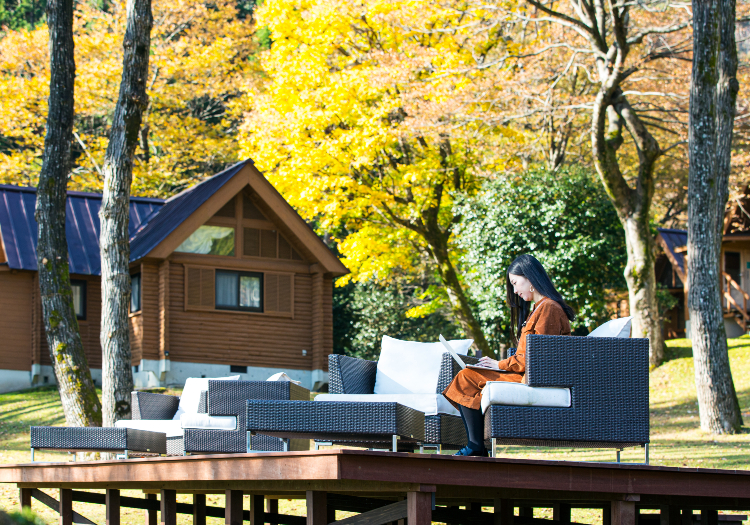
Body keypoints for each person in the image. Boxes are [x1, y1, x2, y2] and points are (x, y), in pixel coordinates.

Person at [443, 254, 575, 456]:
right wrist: (498, 365)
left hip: (533, 377)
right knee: (468, 377)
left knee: (466, 378)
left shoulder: (548, 308)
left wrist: (499, 365)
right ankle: (476, 445)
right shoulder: (539, 308)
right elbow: (529, 354)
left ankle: (476, 446)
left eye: (515, 283)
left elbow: (536, 357)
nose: (515, 291)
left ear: (530, 278)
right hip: (525, 372)